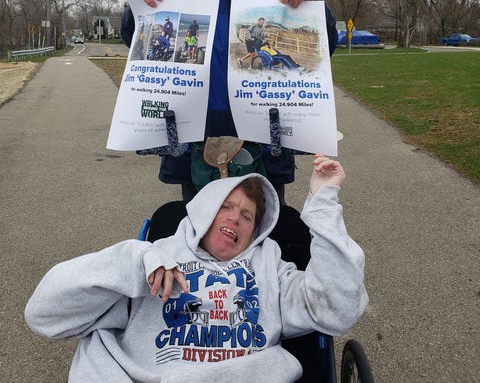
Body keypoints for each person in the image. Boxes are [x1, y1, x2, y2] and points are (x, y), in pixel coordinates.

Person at [25, 156, 368, 383]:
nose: (236, 217)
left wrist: (323, 203)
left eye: (247, 216)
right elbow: (44, 315)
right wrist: (133, 262)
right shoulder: (153, 259)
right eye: (226, 207)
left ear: (255, 232)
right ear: (203, 212)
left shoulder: (271, 270)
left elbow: (336, 308)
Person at [121, 0, 339, 204]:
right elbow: (133, 37)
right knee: (199, 236)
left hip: (265, 145)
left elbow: (326, 43)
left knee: (267, 234)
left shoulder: (278, 2)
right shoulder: (184, 3)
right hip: (197, 148)